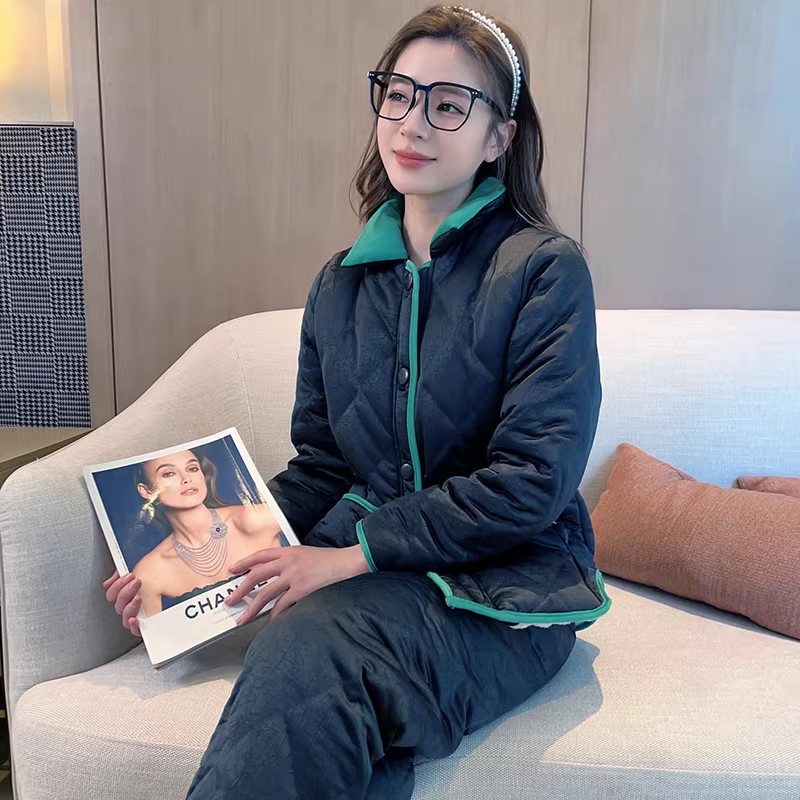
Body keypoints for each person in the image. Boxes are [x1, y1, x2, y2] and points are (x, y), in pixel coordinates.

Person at [103, 5, 610, 797]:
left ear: (499, 137)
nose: (413, 122)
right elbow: (324, 466)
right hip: (377, 585)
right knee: (328, 695)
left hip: (509, 591)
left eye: (449, 104)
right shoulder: (339, 284)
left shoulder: (544, 271)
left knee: (309, 649)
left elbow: (532, 481)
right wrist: (180, 578)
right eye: (398, 94)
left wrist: (350, 556)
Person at [104, 448, 286, 619]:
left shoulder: (254, 519)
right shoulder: (150, 571)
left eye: (192, 468)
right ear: (147, 491)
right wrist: (144, 628)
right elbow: (159, 638)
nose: (186, 479)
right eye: (169, 474)